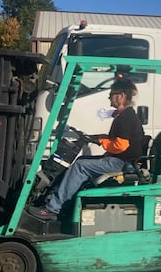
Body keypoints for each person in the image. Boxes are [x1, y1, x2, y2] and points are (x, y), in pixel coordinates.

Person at [27, 78, 145, 220]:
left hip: (122, 163)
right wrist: (94, 137)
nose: (109, 98)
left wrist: (101, 141)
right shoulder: (125, 115)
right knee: (82, 160)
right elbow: (116, 139)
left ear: (120, 96)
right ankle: (64, 204)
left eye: (111, 94)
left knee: (79, 167)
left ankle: (53, 209)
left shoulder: (126, 117)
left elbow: (121, 145)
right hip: (121, 160)